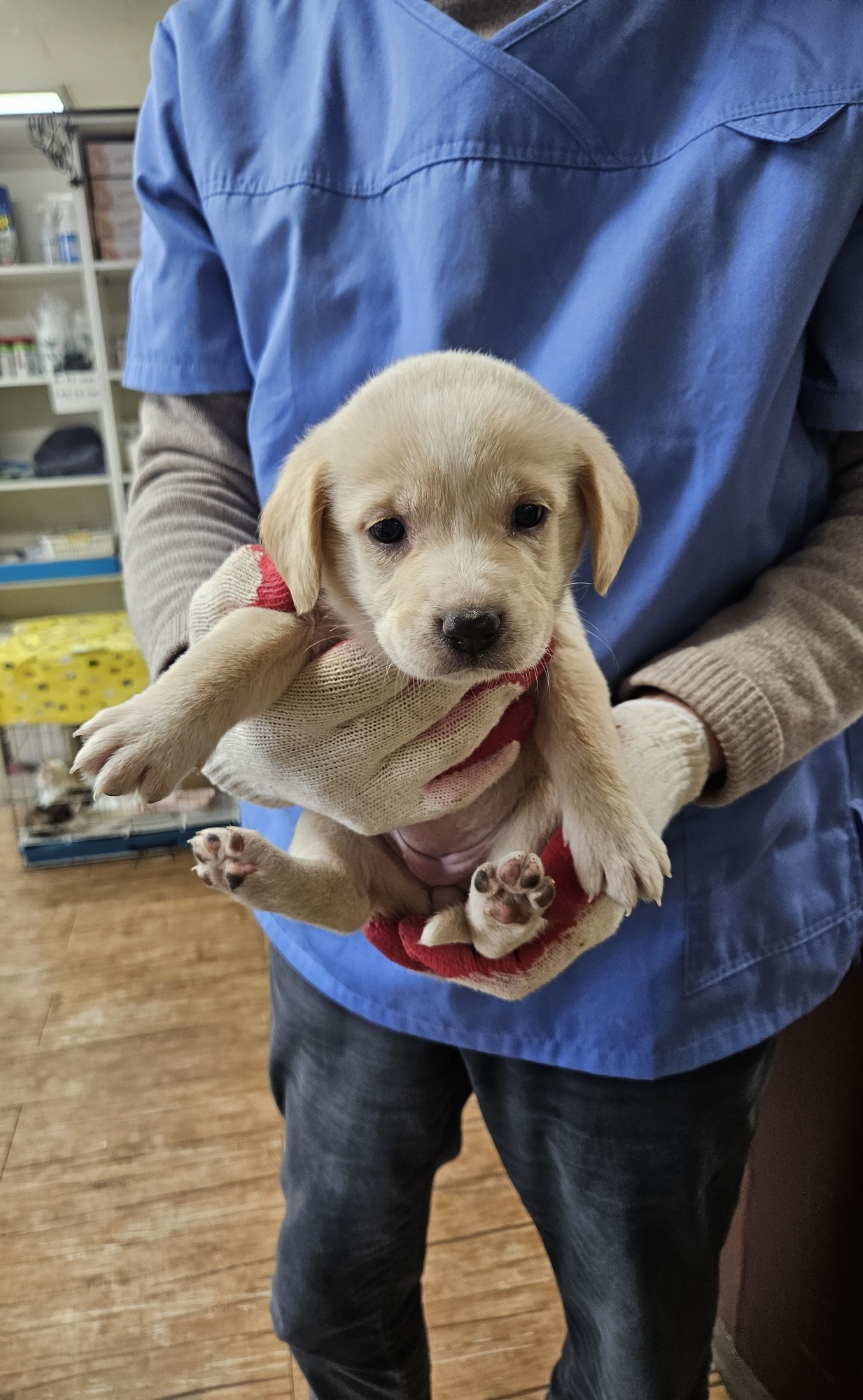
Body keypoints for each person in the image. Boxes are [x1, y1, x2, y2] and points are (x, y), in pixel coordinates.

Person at [121, 3, 863, 1396]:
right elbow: (190, 447)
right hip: (342, 873)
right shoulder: (224, 43)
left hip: (673, 884)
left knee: (640, 1357)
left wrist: (683, 731)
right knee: (328, 1301)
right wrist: (218, 687)